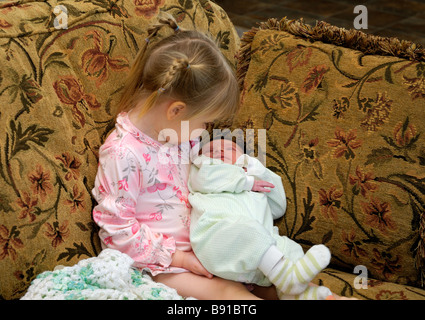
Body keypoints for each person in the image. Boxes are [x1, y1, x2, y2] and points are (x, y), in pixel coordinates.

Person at [91, 14, 269, 300]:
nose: (203, 131)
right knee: (229, 294)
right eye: (204, 122)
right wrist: (179, 259)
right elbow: (117, 230)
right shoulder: (123, 154)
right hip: (162, 265)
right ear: (176, 110)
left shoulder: (179, 132)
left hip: (208, 244)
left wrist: (229, 167)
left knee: (280, 278)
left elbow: (192, 169)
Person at [188, 138, 334, 300]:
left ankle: (292, 294)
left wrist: (254, 168)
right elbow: (206, 178)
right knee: (247, 230)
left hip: (256, 259)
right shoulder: (202, 168)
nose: (219, 151)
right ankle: (287, 278)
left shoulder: (252, 180)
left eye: (229, 148)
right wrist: (246, 182)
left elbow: (278, 207)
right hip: (216, 239)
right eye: (210, 151)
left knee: (290, 248)